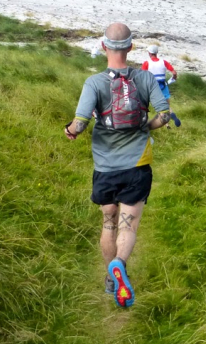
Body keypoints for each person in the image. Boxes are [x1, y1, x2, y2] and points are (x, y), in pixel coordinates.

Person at [65, 23, 174, 308]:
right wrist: (145, 128)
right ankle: (119, 263)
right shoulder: (146, 78)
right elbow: (165, 115)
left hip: (105, 167)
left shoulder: (94, 83)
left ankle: (111, 280)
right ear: (130, 47)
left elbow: (79, 124)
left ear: (104, 47)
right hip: (137, 164)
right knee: (130, 225)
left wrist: (70, 130)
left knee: (109, 222)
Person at [141, 45, 182, 127]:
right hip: (164, 86)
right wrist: (173, 78)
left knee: (158, 106)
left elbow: (142, 76)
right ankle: (170, 118)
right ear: (156, 53)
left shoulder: (147, 63)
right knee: (167, 106)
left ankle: (165, 124)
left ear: (149, 53)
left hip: (153, 87)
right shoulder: (164, 62)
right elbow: (174, 73)